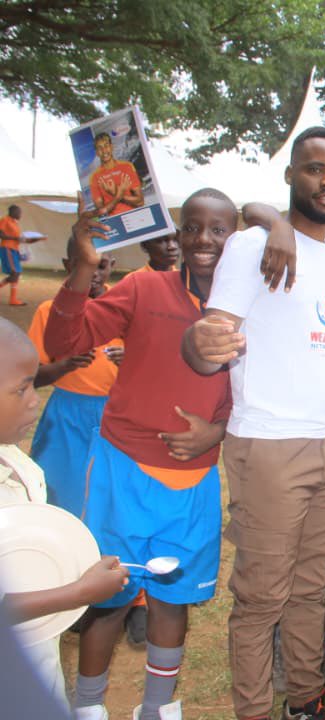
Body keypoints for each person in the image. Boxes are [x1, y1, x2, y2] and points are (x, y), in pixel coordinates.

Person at [182, 127, 325, 720]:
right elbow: (211, 337)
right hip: (270, 447)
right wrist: (202, 341)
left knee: (311, 588)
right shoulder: (250, 245)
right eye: (315, 169)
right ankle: (253, 711)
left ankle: (304, 703)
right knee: (261, 599)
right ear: (290, 175)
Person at [46, 189, 235, 720]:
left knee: (171, 602)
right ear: (176, 234)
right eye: (192, 227)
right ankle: (88, 707)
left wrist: (215, 433)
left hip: (192, 479)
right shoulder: (143, 287)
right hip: (121, 469)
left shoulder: (246, 310)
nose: (203, 240)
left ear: (234, 238)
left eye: (218, 230)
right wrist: (83, 269)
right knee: (108, 596)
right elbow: (66, 339)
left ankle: (157, 709)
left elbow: (256, 398)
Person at [0, 317, 131, 703]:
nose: (34, 399)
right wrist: (77, 592)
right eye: (21, 389)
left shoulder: (12, 459)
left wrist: (76, 566)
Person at [28, 240, 121, 517]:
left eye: (101, 266)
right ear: (68, 266)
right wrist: (64, 367)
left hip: (114, 412)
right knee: (60, 484)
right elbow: (32, 376)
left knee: (109, 491)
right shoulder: (49, 310)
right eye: (83, 265)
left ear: (112, 267)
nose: (93, 273)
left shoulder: (122, 307)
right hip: (66, 413)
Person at [0, 204, 47, 306]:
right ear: (12, 211)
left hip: (14, 250)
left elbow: (23, 240)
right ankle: (12, 300)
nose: (20, 214)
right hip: (7, 249)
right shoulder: (5, 220)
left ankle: (13, 299)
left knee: (15, 274)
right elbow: (1, 235)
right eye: (19, 212)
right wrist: (16, 239)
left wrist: (38, 238)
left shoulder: (16, 225)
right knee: (15, 273)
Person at [88, 133, 144, 216]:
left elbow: (140, 202)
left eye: (106, 146)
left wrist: (114, 193)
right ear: (96, 153)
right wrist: (117, 196)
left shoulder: (127, 167)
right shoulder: (94, 177)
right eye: (100, 148)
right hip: (114, 221)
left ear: (111, 147)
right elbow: (101, 212)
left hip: (134, 216)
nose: (104, 151)